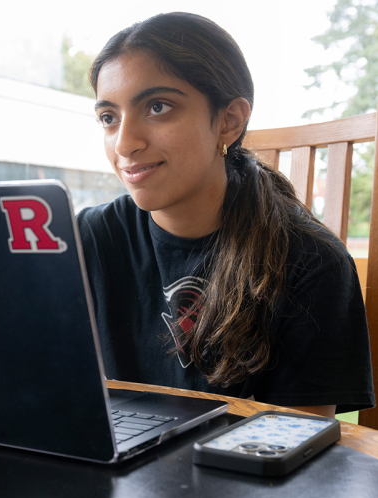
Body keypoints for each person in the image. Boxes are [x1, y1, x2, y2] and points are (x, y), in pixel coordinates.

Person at [77, 12, 375, 417]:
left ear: (229, 121)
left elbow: (296, 451)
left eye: (158, 106)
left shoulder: (310, 261)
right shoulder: (85, 239)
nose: (125, 143)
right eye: (109, 118)